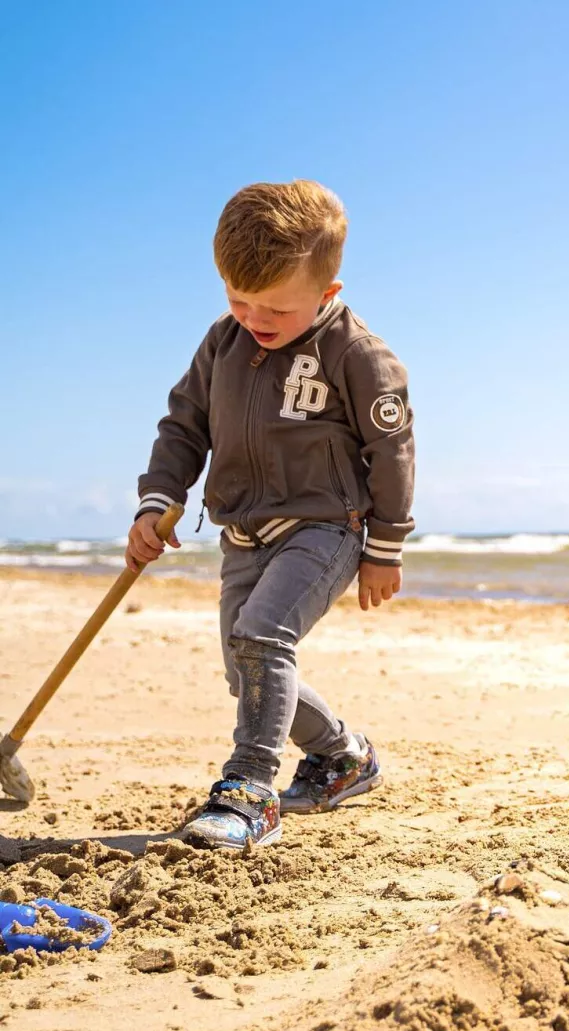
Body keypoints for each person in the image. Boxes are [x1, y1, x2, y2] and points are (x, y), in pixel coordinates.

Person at [126, 179, 415, 850]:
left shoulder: (356, 354)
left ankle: (250, 790)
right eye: (237, 298)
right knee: (246, 667)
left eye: (275, 308)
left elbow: (392, 449)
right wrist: (159, 497)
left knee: (262, 639)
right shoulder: (223, 343)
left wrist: (386, 547)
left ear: (326, 293)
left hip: (325, 525)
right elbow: (184, 426)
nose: (253, 316)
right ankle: (345, 758)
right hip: (243, 533)